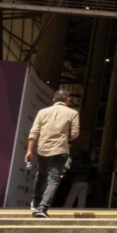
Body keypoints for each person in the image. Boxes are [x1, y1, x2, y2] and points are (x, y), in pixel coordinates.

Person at [25, 89, 80, 218]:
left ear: (54, 99)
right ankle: (43, 208)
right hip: (60, 150)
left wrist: (29, 151)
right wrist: (65, 139)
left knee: (41, 175)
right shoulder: (73, 113)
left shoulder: (42, 112)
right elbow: (75, 133)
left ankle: (35, 202)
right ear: (68, 100)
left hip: (43, 150)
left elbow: (34, 132)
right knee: (53, 180)